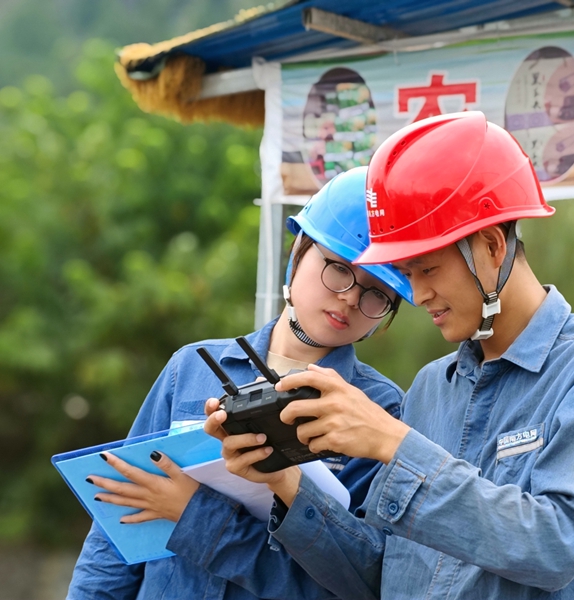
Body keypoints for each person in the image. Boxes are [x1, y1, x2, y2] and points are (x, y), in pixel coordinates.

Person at [206, 111, 574, 599]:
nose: (417, 294)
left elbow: (556, 545)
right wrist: (287, 482)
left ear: (490, 246)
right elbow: (380, 577)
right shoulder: (430, 388)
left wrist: (395, 444)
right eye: (406, 273)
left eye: (427, 269)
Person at [67, 166, 414, 600]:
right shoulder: (190, 369)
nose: (349, 297)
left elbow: (353, 581)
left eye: (377, 293)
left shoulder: (380, 410)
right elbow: (115, 523)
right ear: (298, 253)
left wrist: (194, 516)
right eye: (339, 269)